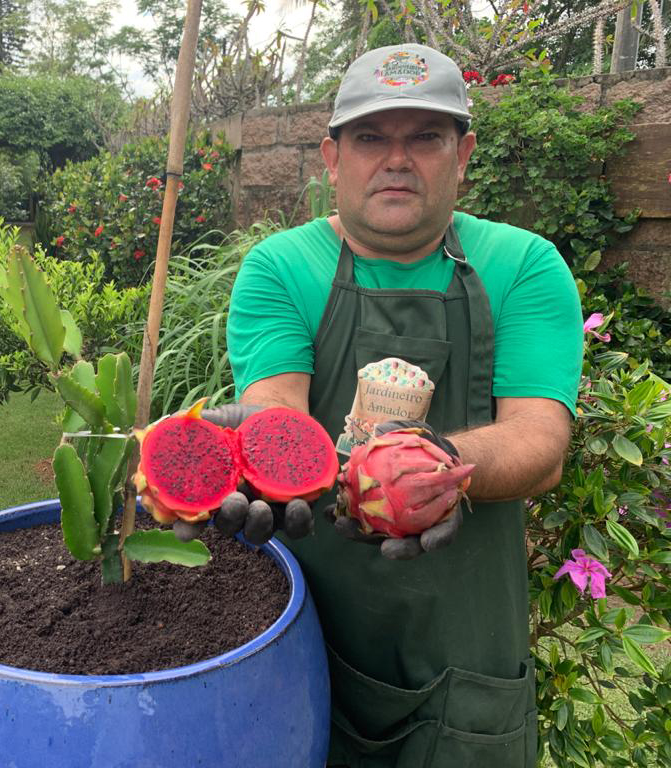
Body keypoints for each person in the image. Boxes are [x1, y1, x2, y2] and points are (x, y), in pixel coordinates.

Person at [205, 44, 584, 767]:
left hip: (467, 654)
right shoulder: (282, 268)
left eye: (426, 138)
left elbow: (540, 442)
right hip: (309, 632)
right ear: (332, 156)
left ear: (463, 153)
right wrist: (263, 457)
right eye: (372, 137)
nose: (397, 159)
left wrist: (432, 469)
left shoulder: (525, 266)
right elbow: (276, 416)